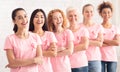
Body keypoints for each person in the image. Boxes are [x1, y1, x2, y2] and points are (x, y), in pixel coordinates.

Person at [4, 8, 43, 72]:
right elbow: (12, 62)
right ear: (14, 21)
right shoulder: (10, 39)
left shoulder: (35, 37)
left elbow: (40, 60)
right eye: (20, 18)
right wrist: (34, 60)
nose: (24, 20)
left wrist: (17, 63)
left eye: (25, 16)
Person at [80, 4, 104, 72]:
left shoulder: (99, 27)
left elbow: (100, 44)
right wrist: (94, 41)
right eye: (87, 11)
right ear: (83, 13)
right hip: (81, 60)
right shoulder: (78, 27)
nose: (89, 13)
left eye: (91, 11)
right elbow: (77, 42)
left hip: (95, 59)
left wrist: (85, 41)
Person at [98, 1, 120, 72]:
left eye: (108, 12)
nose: (106, 14)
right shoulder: (97, 27)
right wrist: (111, 42)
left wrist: (103, 39)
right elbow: (99, 43)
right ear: (101, 14)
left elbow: (117, 43)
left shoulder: (115, 28)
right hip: (100, 58)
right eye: (104, 12)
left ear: (111, 14)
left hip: (112, 58)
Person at [66, 7, 89, 72]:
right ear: (67, 17)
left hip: (80, 65)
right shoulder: (65, 31)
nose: (73, 18)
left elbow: (84, 46)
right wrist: (78, 47)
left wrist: (68, 49)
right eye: (70, 16)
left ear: (78, 16)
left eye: (75, 15)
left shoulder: (83, 30)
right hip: (66, 65)